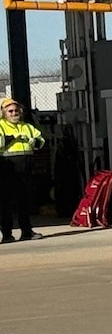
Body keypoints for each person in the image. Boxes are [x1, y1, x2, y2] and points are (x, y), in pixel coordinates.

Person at [0, 96, 45, 242]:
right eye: (10, 111)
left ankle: (27, 231)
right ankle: (7, 234)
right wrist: (10, 138)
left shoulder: (27, 126)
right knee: (5, 202)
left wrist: (34, 141)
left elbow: (41, 141)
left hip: (25, 168)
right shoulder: (0, 126)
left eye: (16, 110)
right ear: (4, 113)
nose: (14, 113)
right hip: (6, 167)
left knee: (24, 201)